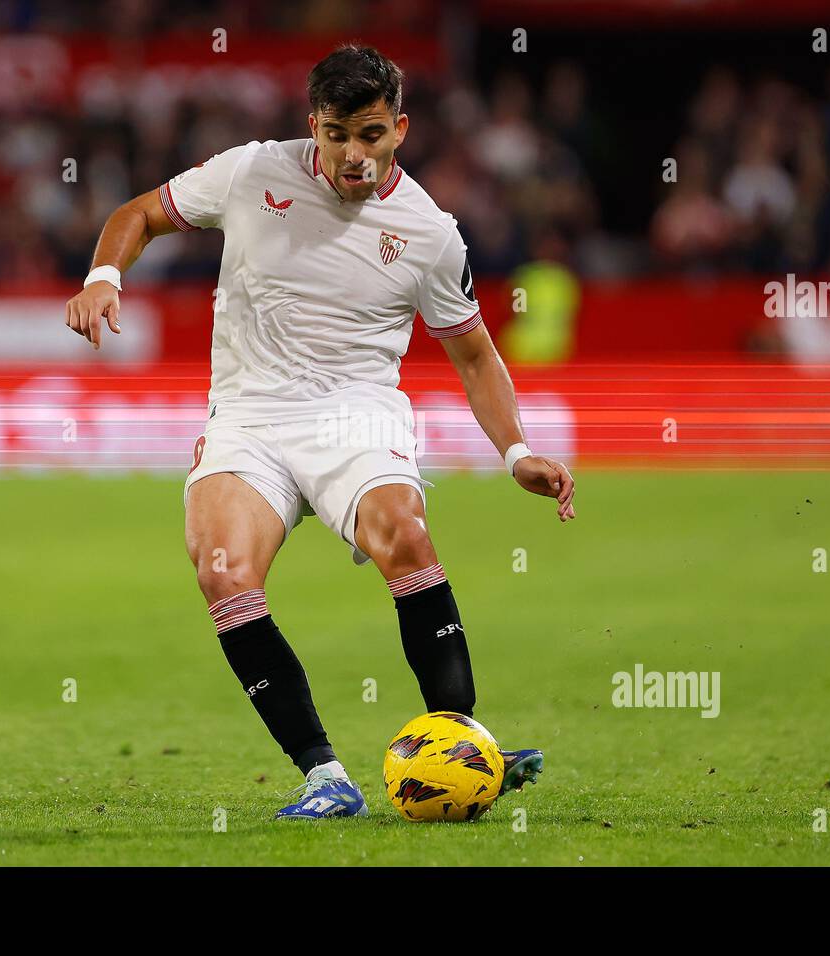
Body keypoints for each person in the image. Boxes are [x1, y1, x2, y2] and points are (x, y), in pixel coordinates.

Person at [65, 45, 575, 819]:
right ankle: (324, 778)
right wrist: (104, 277)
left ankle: (468, 744)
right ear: (314, 126)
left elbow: (474, 354)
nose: (353, 155)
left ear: (399, 129)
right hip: (248, 414)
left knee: (401, 533)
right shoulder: (251, 171)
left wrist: (515, 451)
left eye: (371, 135)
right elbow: (136, 214)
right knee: (222, 569)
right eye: (337, 135)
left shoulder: (430, 232)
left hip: (357, 413)